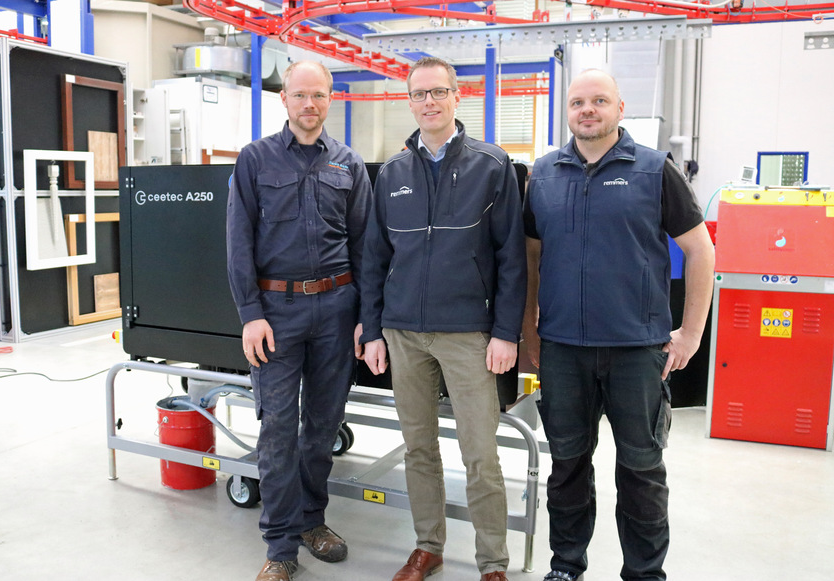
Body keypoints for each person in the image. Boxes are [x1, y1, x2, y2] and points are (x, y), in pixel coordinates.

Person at [523, 69, 715, 581]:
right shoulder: (542, 174)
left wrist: (691, 332)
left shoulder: (655, 170)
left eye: (599, 101)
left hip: (637, 350)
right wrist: (528, 332)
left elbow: (700, 250)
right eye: (578, 102)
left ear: (620, 107)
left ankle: (645, 573)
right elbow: (530, 259)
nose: (588, 110)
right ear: (567, 111)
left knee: (641, 471)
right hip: (564, 349)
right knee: (566, 466)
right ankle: (566, 565)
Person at [359, 56, 526, 581]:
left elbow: (511, 259)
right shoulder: (391, 172)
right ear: (408, 102)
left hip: (468, 335)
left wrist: (504, 332)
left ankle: (492, 562)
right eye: (418, 94)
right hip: (403, 332)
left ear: (458, 97)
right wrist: (373, 329)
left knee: (481, 454)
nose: (428, 102)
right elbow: (373, 260)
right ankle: (428, 545)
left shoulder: (492, 165)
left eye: (438, 92)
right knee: (418, 448)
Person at [226, 60, 372, 581]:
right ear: (284, 99)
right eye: (300, 95)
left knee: (322, 427)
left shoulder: (348, 164)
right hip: (276, 315)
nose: (310, 104)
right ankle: (281, 546)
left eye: (320, 95)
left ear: (331, 100)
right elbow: (239, 243)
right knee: (279, 429)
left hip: (337, 310)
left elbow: (364, 247)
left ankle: (314, 521)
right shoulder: (255, 160)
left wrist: (364, 317)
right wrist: (250, 315)